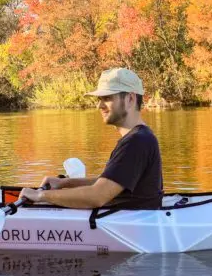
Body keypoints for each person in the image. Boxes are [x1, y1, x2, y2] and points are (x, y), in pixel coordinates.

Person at [18, 67, 163, 209]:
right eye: (99, 99)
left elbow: (97, 196)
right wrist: (63, 184)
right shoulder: (141, 137)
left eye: (107, 98)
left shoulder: (137, 142)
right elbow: (108, 183)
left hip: (133, 228)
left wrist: (41, 196)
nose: (99, 105)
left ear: (130, 99)